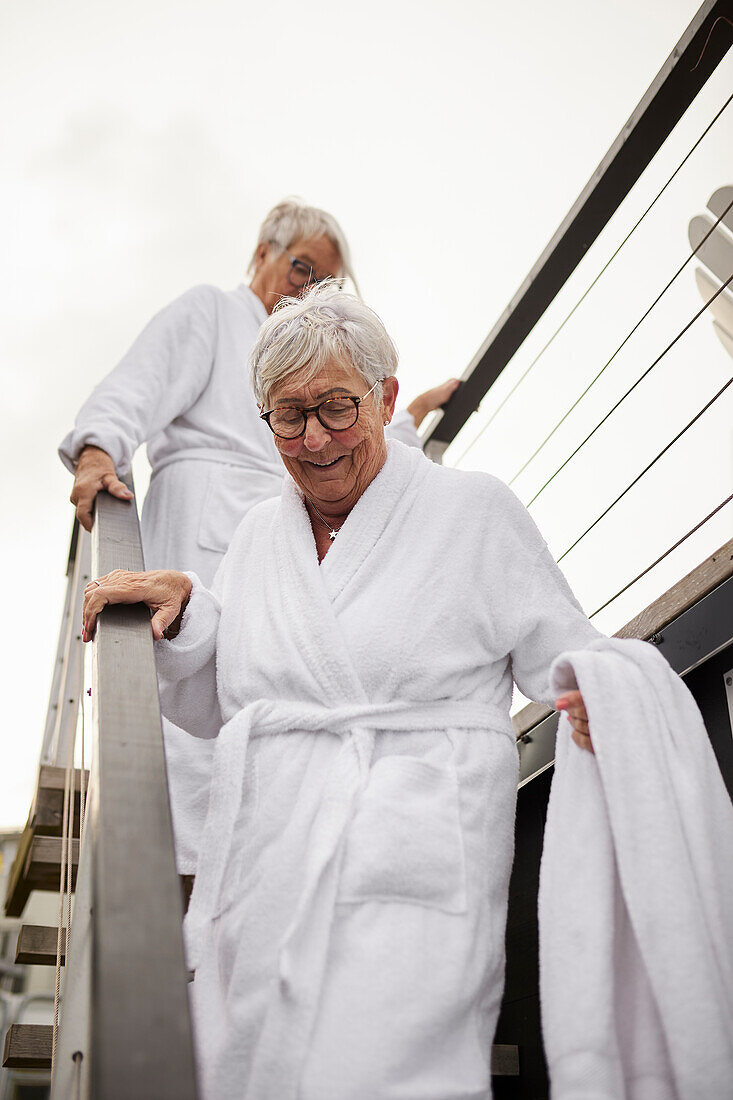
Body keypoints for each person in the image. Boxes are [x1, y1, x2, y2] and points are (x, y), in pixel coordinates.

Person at [81, 282, 605, 1098]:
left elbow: (567, 654)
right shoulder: (260, 535)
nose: (314, 438)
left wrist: (598, 699)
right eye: (287, 415)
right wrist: (192, 618)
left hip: (412, 857)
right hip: (267, 872)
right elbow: (244, 700)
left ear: (386, 395)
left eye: (335, 406)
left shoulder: (473, 512)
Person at [61, 199, 459, 875]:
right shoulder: (209, 313)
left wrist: (409, 415)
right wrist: (100, 452)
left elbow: (345, 432)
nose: (302, 289)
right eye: (298, 267)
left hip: (286, 541)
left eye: (321, 283)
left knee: (267, 696)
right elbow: (136, 385)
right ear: (262, 253)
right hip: (200, 524)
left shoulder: (310, 360)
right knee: (191, 703)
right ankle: (172, 874)